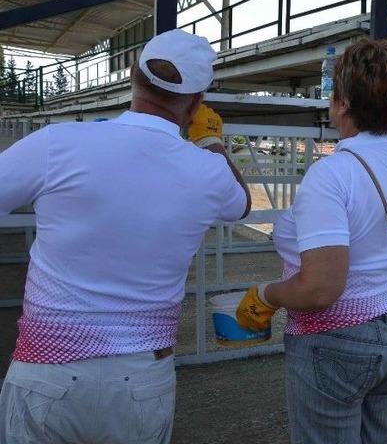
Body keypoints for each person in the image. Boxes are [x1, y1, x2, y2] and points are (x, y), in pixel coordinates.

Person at [0, 28, 250, 443]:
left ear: (133, 75)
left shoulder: (57, 143)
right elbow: (240, 203)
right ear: (198, 101)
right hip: (141, 379)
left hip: (47, 371)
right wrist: (210, 140)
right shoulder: (208, 171)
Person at [235, 39, 387, 444]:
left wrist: (266, 295)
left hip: (337, 341)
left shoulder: (333, 174)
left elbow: (321, 288)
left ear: (342, 103)